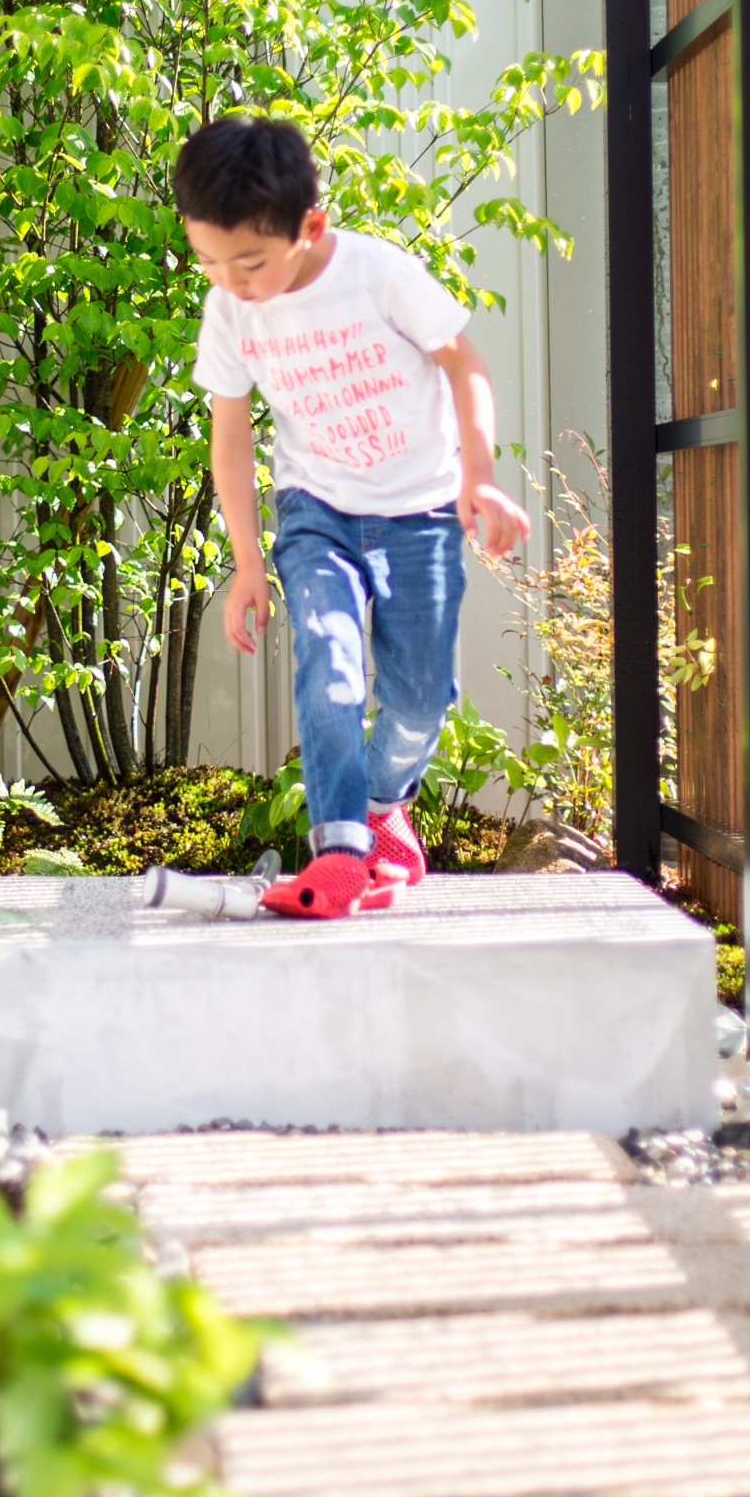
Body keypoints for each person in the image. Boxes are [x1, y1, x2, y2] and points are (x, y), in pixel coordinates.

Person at [174, 115, 530, 921]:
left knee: (420, 697)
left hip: (420, 510)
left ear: (311, 226)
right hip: (319, 512)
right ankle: (339, 849)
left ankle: (381, 808)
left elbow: (465, 365)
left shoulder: (376, 275)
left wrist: (479, 477)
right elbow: (230, 441)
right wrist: (247, 563)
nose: (231, 280)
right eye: (209, 260)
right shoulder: (230, 309)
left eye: (251, 262)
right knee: (330, 673)